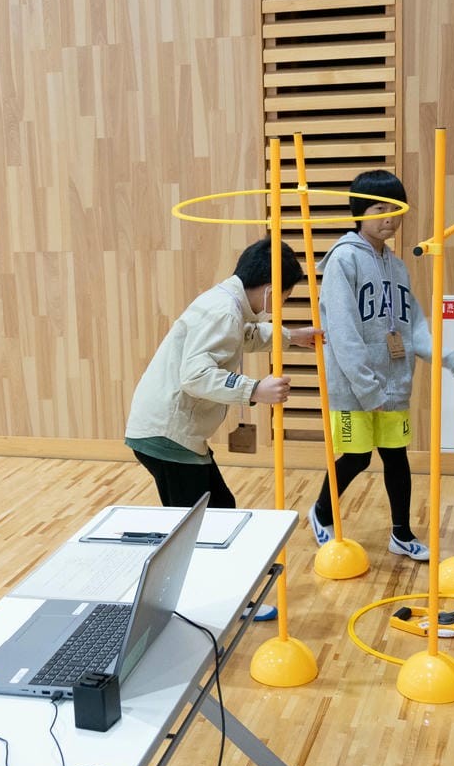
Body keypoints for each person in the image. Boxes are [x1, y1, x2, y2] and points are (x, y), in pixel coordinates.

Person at [126, 237, 321, 617]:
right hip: (168, 434)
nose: (281, 305)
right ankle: (203, 603)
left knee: (219, 512)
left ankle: (220, 597)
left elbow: (242, 336)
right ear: (270, 291)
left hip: (171, 431)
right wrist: (254, 390)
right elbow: (196, 375)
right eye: (284, 297)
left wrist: (290, 337)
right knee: (200, 527)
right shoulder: (223, 311)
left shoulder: (227, 303)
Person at [307, 169, 454, 562]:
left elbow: (413, 324)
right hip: (354, 387)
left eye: (395, 209)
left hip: (394, 384)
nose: (390, 218)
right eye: (379, 209)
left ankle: (401, 534)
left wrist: (446, 357)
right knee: (357, 457)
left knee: (396, 456)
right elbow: (343, 332)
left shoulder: (397, 266)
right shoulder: (343, 260)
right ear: (359, 211)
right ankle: (321, 512)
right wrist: (368, 388)